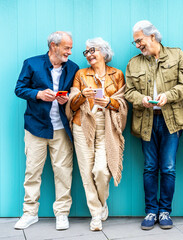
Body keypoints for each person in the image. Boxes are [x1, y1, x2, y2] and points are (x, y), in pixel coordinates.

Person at [125, 20, 183, 230]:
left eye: (140, 40)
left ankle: (164, 212)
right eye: (135, 42)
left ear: (152, 36)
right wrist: (141, 99)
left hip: (171, 120)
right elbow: (128, 91)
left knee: (169, 167)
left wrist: (168, 95)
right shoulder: (133, 63)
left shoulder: (177, 55)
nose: (137, 45)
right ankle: (150, 211)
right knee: (149, 167)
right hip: (146, 120)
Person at [14, 31, 79, 230]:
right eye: (67, 47)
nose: (69, 51)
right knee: (32, 172)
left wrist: (66, 98)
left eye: (70, 48)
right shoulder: (32, 63)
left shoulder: (73, 68)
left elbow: (74, 94)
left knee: (63, 172)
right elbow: (19, 88)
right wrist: (39, 94)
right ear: (53, 46)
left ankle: (61, 213)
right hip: (36, 127)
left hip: (61, 129)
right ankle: (29, 213)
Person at [67, 38, 128, 231]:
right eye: (86, 52)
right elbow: (72, 105)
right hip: (83, 125)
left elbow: (123, 104)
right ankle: (96, 214)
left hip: (107, 125)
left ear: (103, 51)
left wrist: (109, 102)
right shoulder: (81, 74)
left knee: (101, 170)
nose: (89, 54)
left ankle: (102, 203)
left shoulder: (117, 74)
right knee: (86, 173)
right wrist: (83, 95)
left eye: (92, 50)